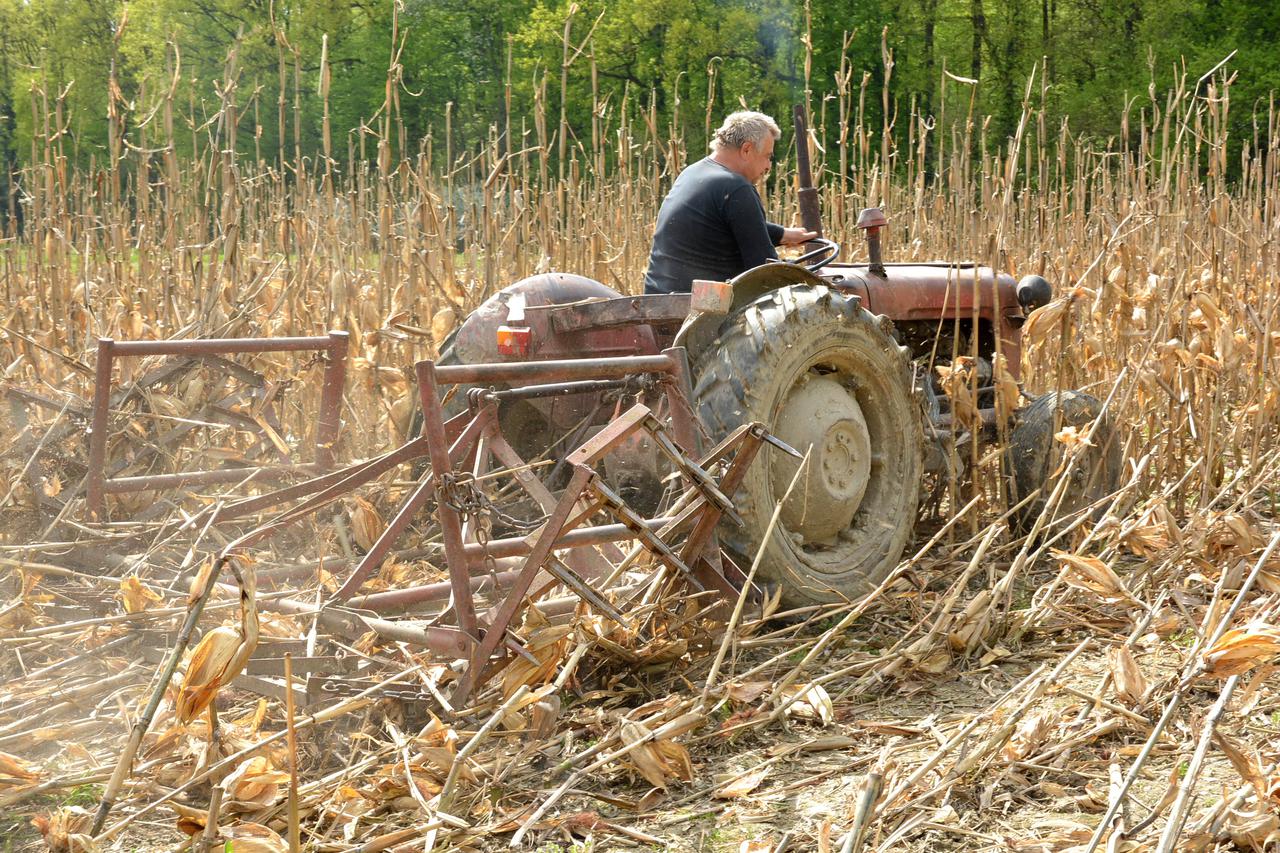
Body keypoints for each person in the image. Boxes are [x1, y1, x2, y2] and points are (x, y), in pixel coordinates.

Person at [643, 111, 817, 295]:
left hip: (658, 298)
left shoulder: (693, 173)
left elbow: (729, 225)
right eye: (767, 156)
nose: (768, 166)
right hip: (697, 306)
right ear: (746, 149)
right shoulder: (736, 187)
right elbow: (766, 273)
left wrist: (783, 235)